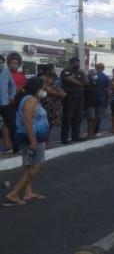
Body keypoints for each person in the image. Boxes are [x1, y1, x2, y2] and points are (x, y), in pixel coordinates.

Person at [3, 77, 49, 207]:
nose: (45, 89)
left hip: (28, 138)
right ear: (36, 88)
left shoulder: (30, 98)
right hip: (33, 139)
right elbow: (27, 121)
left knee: (28, 164)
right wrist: (33, 142)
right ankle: (14, 193)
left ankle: (27, 191)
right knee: (37, 165)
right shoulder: (31, 100)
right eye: (43, 86)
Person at [60, 57, 88, 144]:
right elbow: (73, 81)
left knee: (78, 118)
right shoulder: (66, 71)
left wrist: (84, 75)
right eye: (76, 62)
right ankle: (64, 138)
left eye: (79, 62)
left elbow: (87, 83)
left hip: (79, 98)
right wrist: (80, 82)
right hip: (69, 98)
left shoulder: (80, 72)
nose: (78, 64)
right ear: (71, 63)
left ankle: (75, 136)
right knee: (67, 118)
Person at [39, 64, 65, 144]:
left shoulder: (55, 78)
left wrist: (60, 93)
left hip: (55, 103)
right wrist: (60, 93)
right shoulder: (42, 79)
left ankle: (47, 140)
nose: (54, 71)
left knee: (51, 123)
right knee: (46, 122)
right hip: (47, 103)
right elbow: (47, 90)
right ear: (47, 70)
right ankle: (44, 141)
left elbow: (60, 90)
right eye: (53, 69)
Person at [0, 54, 16, 154]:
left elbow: (13, 86)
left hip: (5, 103)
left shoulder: (6, 71)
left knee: (11, 126)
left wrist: (11, 96)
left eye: (1, 62)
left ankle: (16, 148)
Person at [84, 69, 101, 139]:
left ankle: (92, 132)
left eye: (96, 74)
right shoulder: (88, 82)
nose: (95, 75)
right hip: (90, 103)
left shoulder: (96, 82)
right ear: (90, 75)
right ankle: (89, 133)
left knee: (96, 118)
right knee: (90, 118)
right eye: (93, 74)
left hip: (96, 102)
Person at [94, 63, 110, 134]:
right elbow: (108, 90)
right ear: (103, 69)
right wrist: (108, 99)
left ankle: (90, 131)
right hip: (101, 99)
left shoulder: (91, 76)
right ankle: (95, 131)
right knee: (98, 116)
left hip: (91, 100)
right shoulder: (106, 77)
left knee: (91, 116)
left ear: (96, 68)